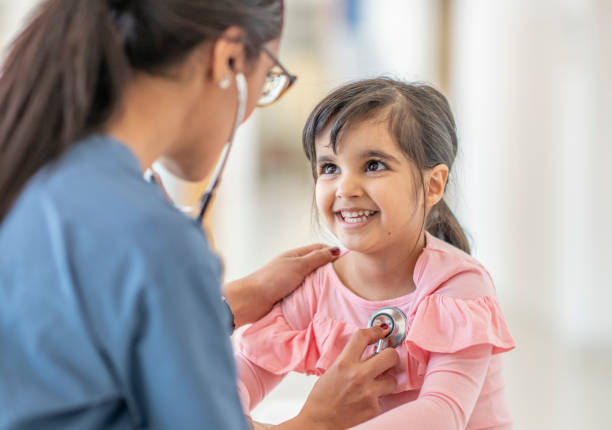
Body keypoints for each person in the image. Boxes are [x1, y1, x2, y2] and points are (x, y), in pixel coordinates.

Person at [0, 1, 400, 429]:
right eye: (266, 83)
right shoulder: (151, 236)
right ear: (227, 58)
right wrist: (317, 420)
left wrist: (227, 303)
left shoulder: (35, 178)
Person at [236, 78, 517, 429]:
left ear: (433, 185)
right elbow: (230, 383)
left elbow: (441, 414)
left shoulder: (459, 285)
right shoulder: (315, 286)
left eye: (372, 165)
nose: (345, 188)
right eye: (329, 168)